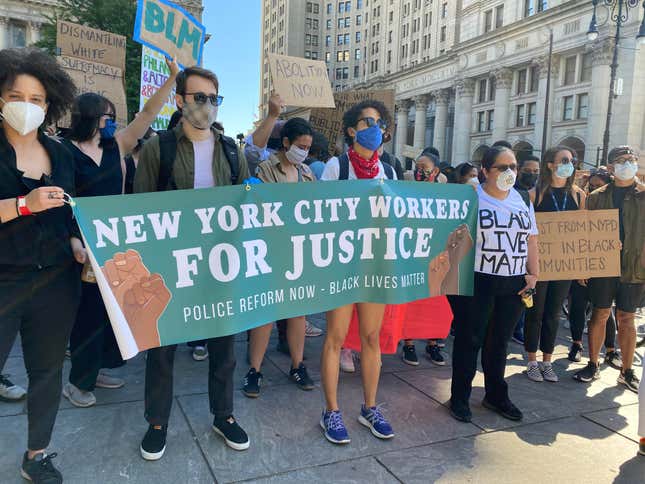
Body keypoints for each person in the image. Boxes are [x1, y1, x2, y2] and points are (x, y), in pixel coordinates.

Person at [133, 66, 251, 459]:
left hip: (219, 265)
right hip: (169, 265)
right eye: (199, 97)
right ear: (180, 100)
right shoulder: (159, 148)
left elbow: (246, 208)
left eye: (213, 99)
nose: (207, 106)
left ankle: (224, 415)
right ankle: (157, 423)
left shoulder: (233, 152)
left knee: (224, 346)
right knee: (162, 347)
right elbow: (140, 209)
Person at [62, 58, 180, 409]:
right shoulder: (65, 151)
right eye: (107, 117)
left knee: (108, 312)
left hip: (113, 245)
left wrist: (172, 80)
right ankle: (77, 381)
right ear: (89, 118)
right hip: (81, 245)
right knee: (86, 314)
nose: (113, 122)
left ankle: (96, 367)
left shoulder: (117, 146)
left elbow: (146, 115)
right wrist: (74, 240)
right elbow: (63, 199)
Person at [0, 47, 81, 484]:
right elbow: (30, 207)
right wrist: (22, 205)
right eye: (16, 96)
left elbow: (67, 214)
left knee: (47, 370)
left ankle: (37, 454)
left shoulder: (61, 154)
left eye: (37, 99)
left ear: (49, 105)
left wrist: (76, 243)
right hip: (2, 279)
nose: (26, 107)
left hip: (54, 281)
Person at [319, 99, 396, 444]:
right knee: (335, 338)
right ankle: (331, 411)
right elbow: (321, 213)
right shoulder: (337, 167)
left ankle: (369, 406)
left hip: (374, 267)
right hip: (341, 266)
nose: (374, 128)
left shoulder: (390, 172)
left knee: (370, 339)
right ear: (352, 130)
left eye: (379, 122)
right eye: (367, 122)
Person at [450, 146, 539, 423]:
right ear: (486, 171)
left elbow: (531, 239)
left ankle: (496, 395)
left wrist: (533, 274)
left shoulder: (523, 199)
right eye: (502, 167)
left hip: (513, 281)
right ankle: (460, 398)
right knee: (470, 339)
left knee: (499, 342)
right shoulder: (469, 197)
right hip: (478, 279)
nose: (510, 172)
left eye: (513, 166)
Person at [243, 118, 316, 398]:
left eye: (308, 147)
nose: (304, 151)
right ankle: (255, 369)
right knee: (265, 312)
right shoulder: (265, 168)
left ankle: (297, 366)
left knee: (297, 313)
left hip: (299, 251)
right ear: (286, 143)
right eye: (300, 146)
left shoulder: (308, 173)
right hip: (270, 250)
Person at [574, 146, 644, 393]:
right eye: (623, 160)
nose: (629, 163)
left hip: (634, 267)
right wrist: (583, 265)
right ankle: (592, 363)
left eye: (632, 159)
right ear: (611, 167)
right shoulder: (596, 197)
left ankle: (627, 371)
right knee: (600, 314)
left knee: (627, 318)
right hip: (603, 266)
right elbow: (584, 233)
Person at [524, 146, 586, 382]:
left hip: (564, 265)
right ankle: (531, 359)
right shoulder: (535, 194)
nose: (569, 163)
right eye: (564, 159)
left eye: (571, 160)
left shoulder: (579, 195)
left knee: (553, 314)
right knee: (535, 312)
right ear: (550, 164)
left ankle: (547, 361)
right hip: (540, 265)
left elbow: (583, 232)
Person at [402, 148, 449, 366]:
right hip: (411, 254)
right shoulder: (405, 191)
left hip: (436, 256)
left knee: (435, 303)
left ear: (436, 171)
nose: (419, 172)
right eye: (417, 168)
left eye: (425, 168)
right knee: (410, 302)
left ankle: (433, 343)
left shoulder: (446, 195)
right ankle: (408, 344)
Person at [568, 169, 620, 364]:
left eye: (600, 186)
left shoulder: (613, 204)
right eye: (593, 186)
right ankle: (577, 343)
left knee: (604, 309)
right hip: (582, 262)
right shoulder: (583, 202)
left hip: (604, 264)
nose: (595, 190)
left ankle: (610, 348)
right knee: (578, 305)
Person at [510, 155, 541, 345]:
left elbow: (531, 236)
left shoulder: (528, 195)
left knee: (523, 295)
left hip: (522, 256)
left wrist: (534, 272)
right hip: (505, 258)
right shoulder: (512, 193)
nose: (532, 174)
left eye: (536, 172)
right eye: (528, 171)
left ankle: (517, 328)